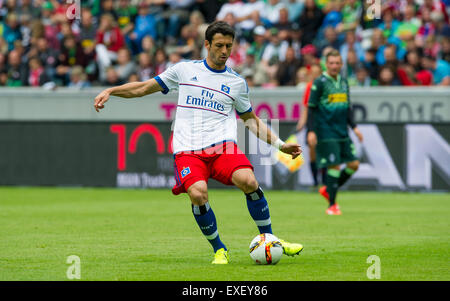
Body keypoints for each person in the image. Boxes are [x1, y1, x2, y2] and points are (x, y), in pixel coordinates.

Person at [93, 21, 304, 264]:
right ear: (206, 45)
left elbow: (251, 121)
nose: (224, 51)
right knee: (198, 193)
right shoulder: (184, 70)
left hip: (222, 146)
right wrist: (112, 90)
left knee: (249, 180)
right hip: (188, 151)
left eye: (228, 46)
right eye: (219, 45)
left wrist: (280, 144)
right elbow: (142, 88)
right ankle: (219, 249)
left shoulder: (236, 83)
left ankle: (269, 238)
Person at [306, 50, 363, 215]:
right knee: (334, 166)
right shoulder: (320, 82)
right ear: (326, 64)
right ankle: (332, 205)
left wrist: (355, 127)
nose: (334, 66)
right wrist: (311, 131)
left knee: (354, 165)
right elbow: (311, 108)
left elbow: (348, 107)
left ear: (341, 64)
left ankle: (328, 189)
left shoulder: (344, 82)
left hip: (342, 131)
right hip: (326, 130)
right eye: (331, 63)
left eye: (337, 63)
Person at [296, 64, 324, 187]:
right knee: (312, 150)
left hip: (323, 122)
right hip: (312, 123)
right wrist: (302, 122)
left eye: (318, 72)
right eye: (314, 72)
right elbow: (306, 107)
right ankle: (315, 181)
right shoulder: (309, 87)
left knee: (323, 151)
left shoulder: (325, 87)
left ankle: (324, 181)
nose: (315, 75)